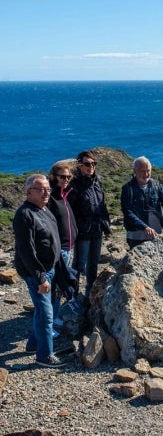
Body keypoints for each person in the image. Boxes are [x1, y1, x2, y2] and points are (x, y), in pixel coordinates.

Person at [13, 174, 66, 367]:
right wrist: (41, 278)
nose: (46, 193)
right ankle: (45, 355)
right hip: (36, 272)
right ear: (29, 192)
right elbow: (26, 251)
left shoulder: (44, 210)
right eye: (40, 189)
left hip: (49, 270)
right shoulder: (24, 214)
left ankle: (34, 343)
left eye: (48, 189)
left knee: (43, 309)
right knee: (46, 312)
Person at [121, 156, 163, 249]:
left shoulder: (156, 185)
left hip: (156, 233)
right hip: (136, 236)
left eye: (148, 170)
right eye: (142, 171)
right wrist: (144, 227)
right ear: (134, 171)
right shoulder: (127, 189)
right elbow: (128, 212)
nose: (146, 174)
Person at [68, 150, 111, 297]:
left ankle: (90, 293)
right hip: (82, 230)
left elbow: (102, 204)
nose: (91, 166)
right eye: (87, 164)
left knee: (93, 264)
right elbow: (70, 211)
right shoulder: (74, 186)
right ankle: (72, 295)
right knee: (79, 264)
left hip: (97, 228)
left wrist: (106, 223)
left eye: (93, 163)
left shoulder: (97, 182)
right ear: (79, 166)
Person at [47, 160, 82, 318]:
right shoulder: (51, 198)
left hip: (68, 247)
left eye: (68, 177)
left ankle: (55, 316)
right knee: (57, 286)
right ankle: (52, 319)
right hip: (59, 250)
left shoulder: (64, 195)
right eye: (62, 177)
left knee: (61, 285)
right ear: (53, 177)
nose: (66, 179)